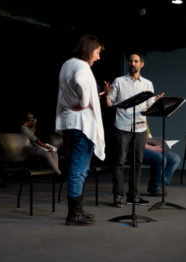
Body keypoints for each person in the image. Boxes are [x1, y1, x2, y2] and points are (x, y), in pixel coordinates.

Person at [56, 34, 105, 226]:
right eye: (98, 52)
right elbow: (80, 81)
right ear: (89, 49)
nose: (98, 57)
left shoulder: (67, 63)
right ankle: (74, 214)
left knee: (80, 168)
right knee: (79, 169)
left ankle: (78, 210)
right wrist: (83, 102)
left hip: (70, 122)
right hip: (81, 124)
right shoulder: (82, 67)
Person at [103, 51, 164, 207]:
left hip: (140, 127)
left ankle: (133, 195)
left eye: (136, 61)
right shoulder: (119, 81)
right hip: (122, 126)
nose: (132, 64)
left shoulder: (148, 84)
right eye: (130, 61)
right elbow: (110, 103)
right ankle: (118, 196)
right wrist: (107, 95)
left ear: (141, 64)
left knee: (138, 163)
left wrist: (156, 101)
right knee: (120, 162)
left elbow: (149, 106)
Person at [143, 125, 180, 196]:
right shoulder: (131, 119)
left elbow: (148, 138)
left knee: (175, 159)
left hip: (149, 146)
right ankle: (156, 187)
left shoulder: (144, 120)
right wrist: (152, 148)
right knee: (160, 158)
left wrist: (157, 143)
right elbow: (135, 142)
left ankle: (160, 183)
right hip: (139, 148)